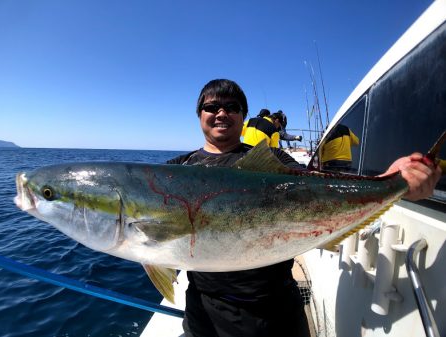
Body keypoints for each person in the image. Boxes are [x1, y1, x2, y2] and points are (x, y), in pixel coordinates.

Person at [167, 79, 441, 337]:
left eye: (232, 107)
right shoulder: (176, 171)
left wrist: (389, 182)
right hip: (207, 311)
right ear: (199, 113)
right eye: (212, 107)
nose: (222, 113)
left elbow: (316, 188)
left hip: (277, 307)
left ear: (244, 115)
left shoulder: (273, 158)